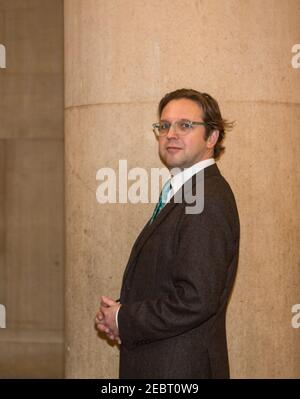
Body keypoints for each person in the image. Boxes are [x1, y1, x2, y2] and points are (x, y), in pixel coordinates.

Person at [95, 88, 240, 379]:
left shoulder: (206, 198)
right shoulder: (186, 192)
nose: (170, 133)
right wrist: (124, 312)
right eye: (164, 125)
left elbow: (195, 299)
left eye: (185, 125)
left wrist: (124, 319)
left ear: (211, 138)